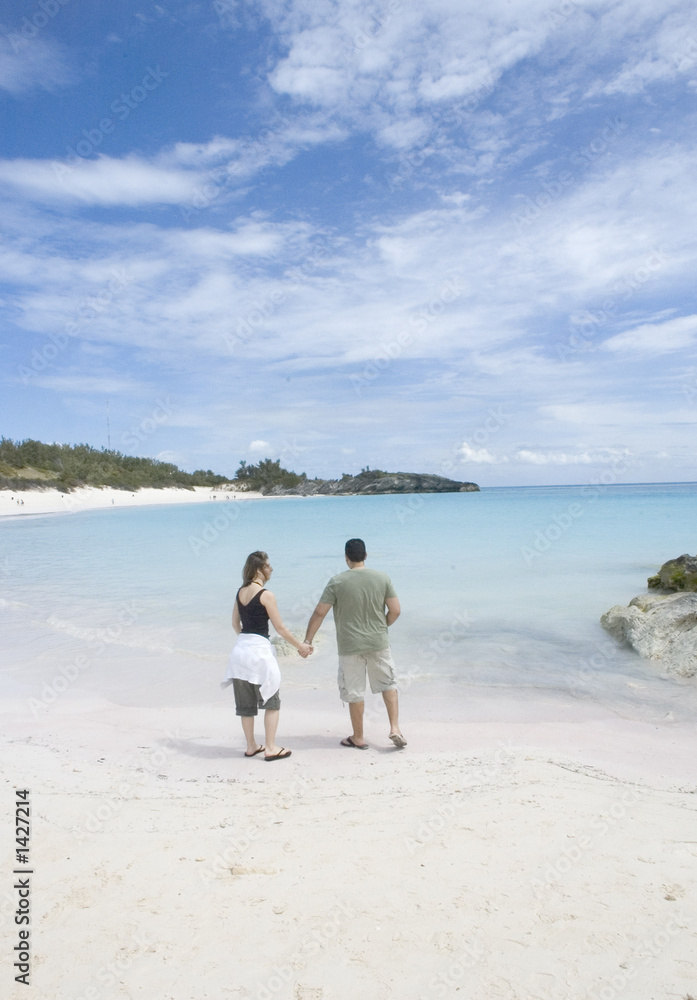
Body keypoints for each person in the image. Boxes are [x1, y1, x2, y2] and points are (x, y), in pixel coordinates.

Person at [304, 538, 406, 750]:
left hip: (350, 645)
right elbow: (395, 610)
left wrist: (307, 641)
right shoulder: (382, 578)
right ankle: (395, 728)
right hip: (378, 641)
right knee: (388, 683)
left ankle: (358, 737)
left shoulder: (337, 582)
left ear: (346, 558)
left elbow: (319, 612)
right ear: (366, 556)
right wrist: (381, 627)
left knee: (355, 691)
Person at [222, 551, 312, 760]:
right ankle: (270, 747)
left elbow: (235, 624)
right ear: (258, 569)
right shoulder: (266, 595)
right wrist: (301, 646)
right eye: (268, 566)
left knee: (246, 706)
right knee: (271, 700)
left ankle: (251, 746)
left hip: (239, 654)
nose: (271, 569)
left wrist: (246, 640)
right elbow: (280, 628)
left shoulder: (240, 592)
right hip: (260, 655)